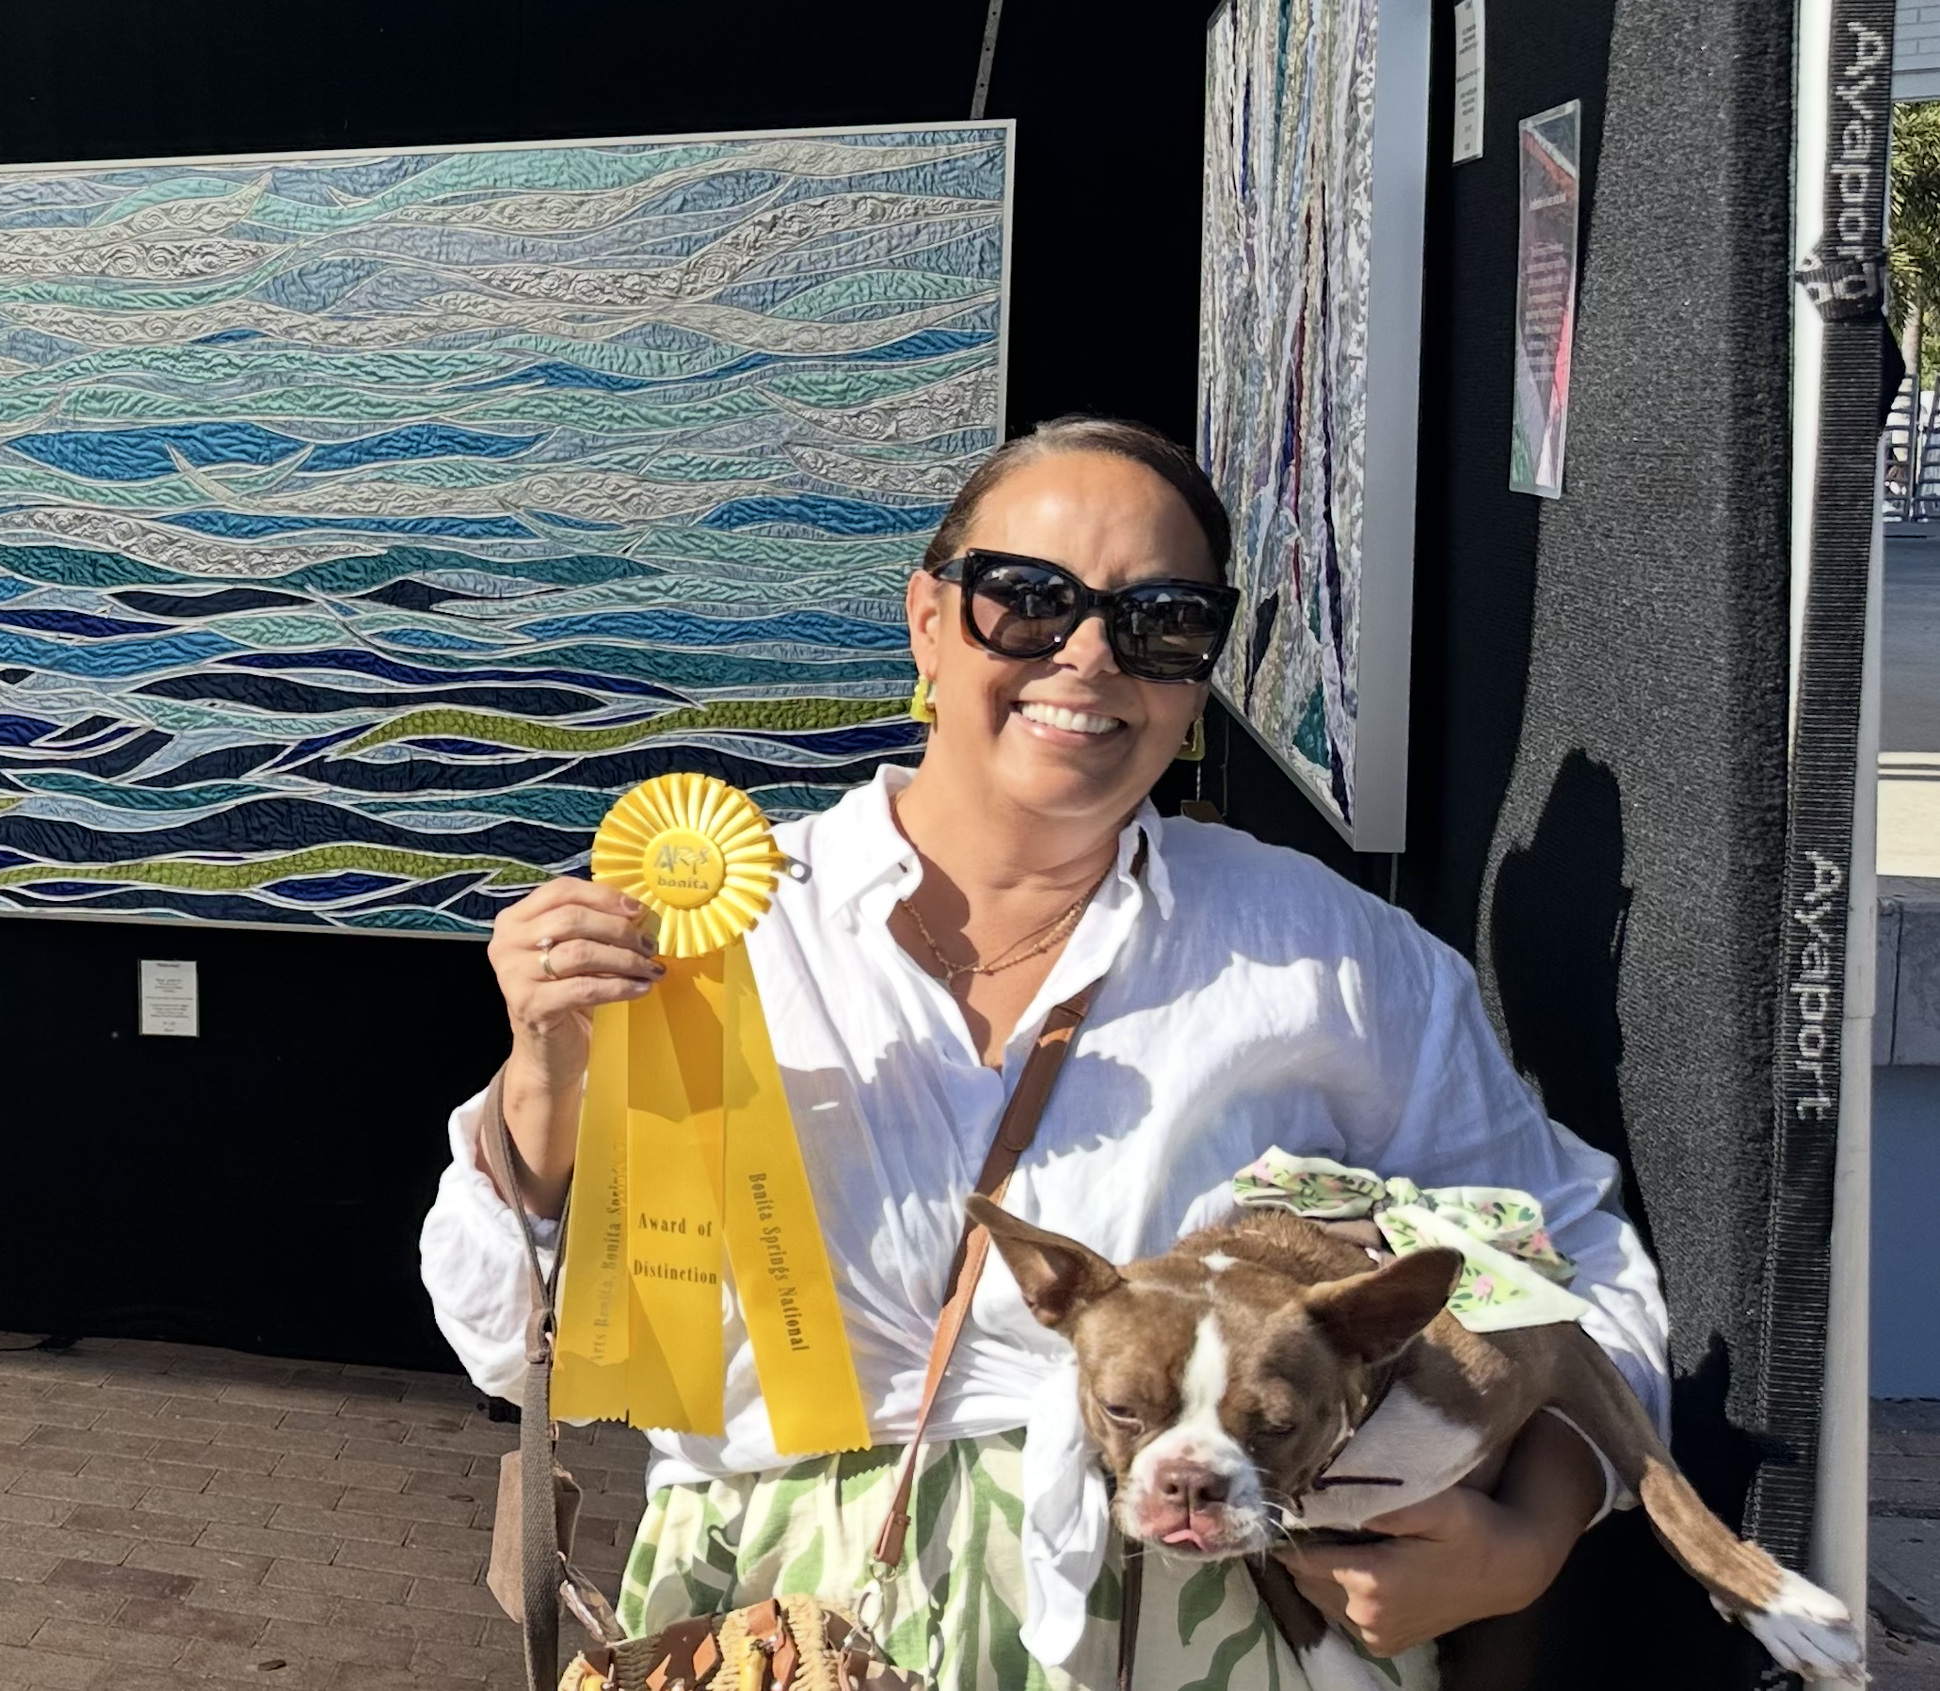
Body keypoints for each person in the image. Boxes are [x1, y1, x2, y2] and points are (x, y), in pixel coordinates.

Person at [420, 417, 1667, 1690]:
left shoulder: (1327, 957)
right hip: (784, 1622)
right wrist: (543, 1080)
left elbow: (1571, 1265)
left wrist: (1524, 1539)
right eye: (1027, 600)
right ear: (925, 616)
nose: (1085, 652)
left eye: (1161, 619)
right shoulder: (728, 929)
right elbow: (503, 1339)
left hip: (1217, 1628)